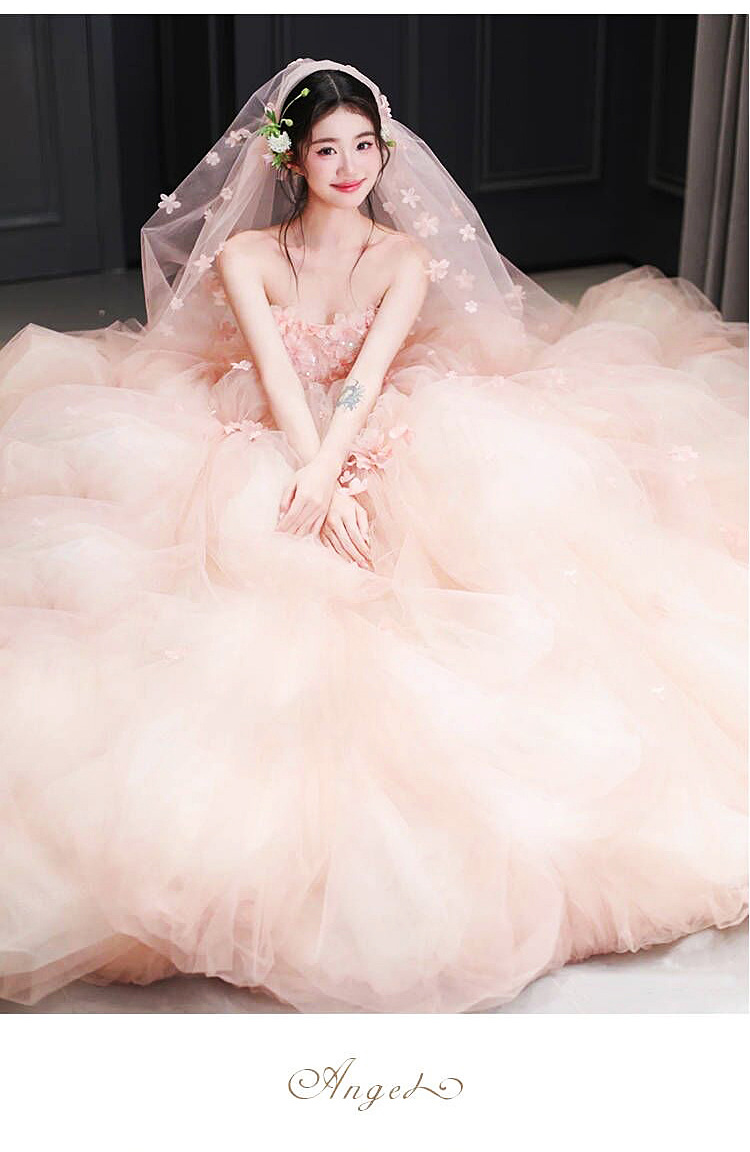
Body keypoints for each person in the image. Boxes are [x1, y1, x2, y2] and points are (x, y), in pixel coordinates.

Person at [0, 57, 746, 1014]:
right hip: (271, 421)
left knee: (470, 539)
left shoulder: (401, 257)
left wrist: (335, 471)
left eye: (364, 146)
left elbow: (365, 376)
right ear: (292, 160)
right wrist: (306, 470)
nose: (351, 167)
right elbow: (276, 373)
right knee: (241, 571)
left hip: (368, 420)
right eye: (327, 150)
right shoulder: (248, 255)